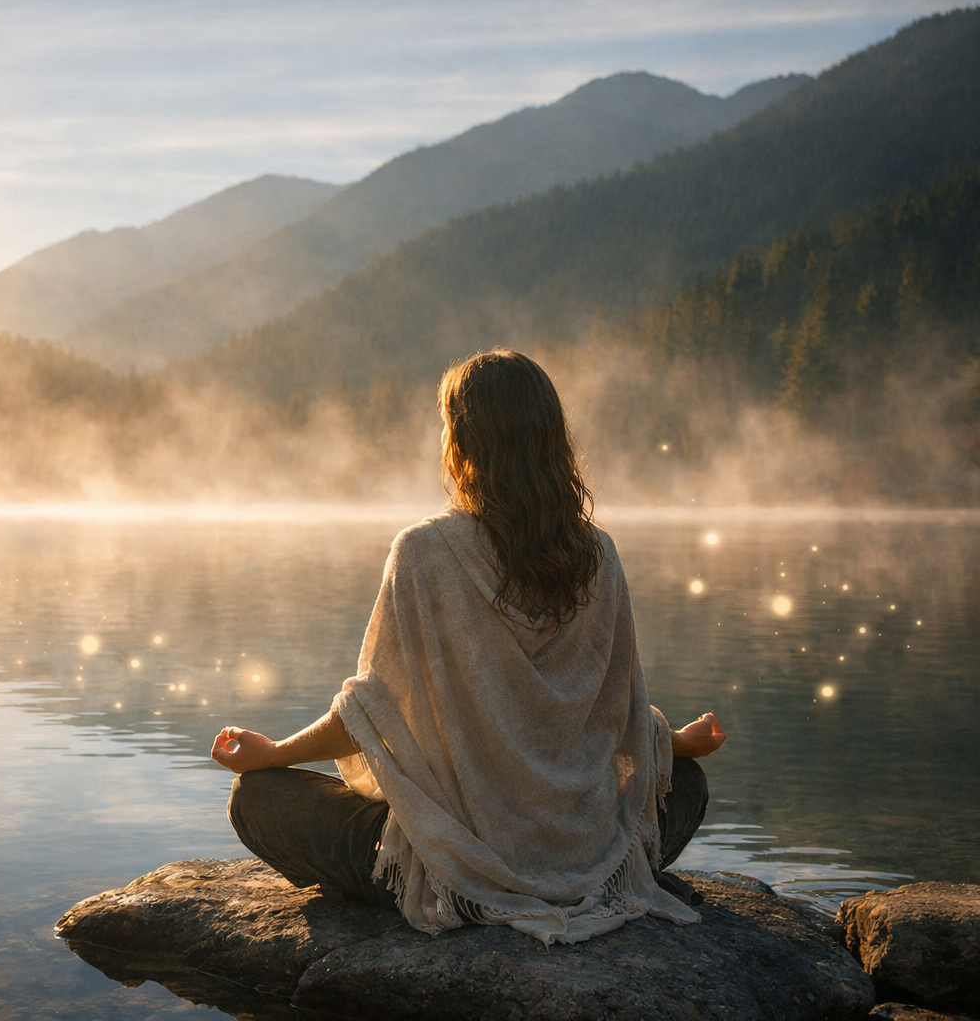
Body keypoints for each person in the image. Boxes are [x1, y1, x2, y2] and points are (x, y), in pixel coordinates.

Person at [210, 349, 727, 945]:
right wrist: (675, 744)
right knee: (686, 787)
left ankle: (471, 890)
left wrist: (273, 755)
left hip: (458, 861)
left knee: (256, 799)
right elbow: (616, 716)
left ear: (463, 443)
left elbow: (374, 714)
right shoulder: (599, 556)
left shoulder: (425, 553)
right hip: (581, 855)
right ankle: (563, 877)